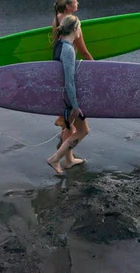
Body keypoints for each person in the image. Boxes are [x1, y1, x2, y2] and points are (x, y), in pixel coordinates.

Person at [51, 0, 93, 155]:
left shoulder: (56, 20)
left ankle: (66, 157)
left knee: (68, 122)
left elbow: (57, 45)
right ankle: (63, 158)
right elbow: (83, 51)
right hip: (69, 71)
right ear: (69, 6)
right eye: (76, 2)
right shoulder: (74, 23)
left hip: (59, 67)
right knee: (72, 122)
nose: (78, 4)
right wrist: (97, 71)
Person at [47, 15, 90, 174]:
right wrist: (75, 106)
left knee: (70, 129)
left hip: (63, 97)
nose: (80, 31)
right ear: (74, 29)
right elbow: (69, 81)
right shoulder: (68, 50)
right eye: (80, 27)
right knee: (83, 131)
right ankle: (55, 159)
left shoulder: (60, 44)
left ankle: (69, 160)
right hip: (68, 99)